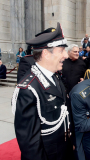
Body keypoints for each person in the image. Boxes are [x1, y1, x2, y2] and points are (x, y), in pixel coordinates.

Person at [12, 22, 74, 160]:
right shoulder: (28, 89)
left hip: (65, 150)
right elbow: (30, 145)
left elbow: (65, 115)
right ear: (46, 53)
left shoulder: (55, 77)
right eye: (61, 50)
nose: (66, 55)